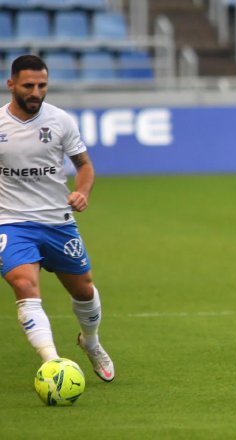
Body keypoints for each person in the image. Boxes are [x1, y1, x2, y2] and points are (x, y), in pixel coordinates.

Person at [1, 55, 114, 381]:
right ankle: (52, 363)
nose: (36, 91)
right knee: (24, 284)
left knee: (84, 290)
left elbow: (85, 166)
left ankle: (91, 342)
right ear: (11, 84)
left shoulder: (61, 121)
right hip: (12, 221)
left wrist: (83, 192)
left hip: (57, 222)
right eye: (28, 85)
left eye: (42, 85)